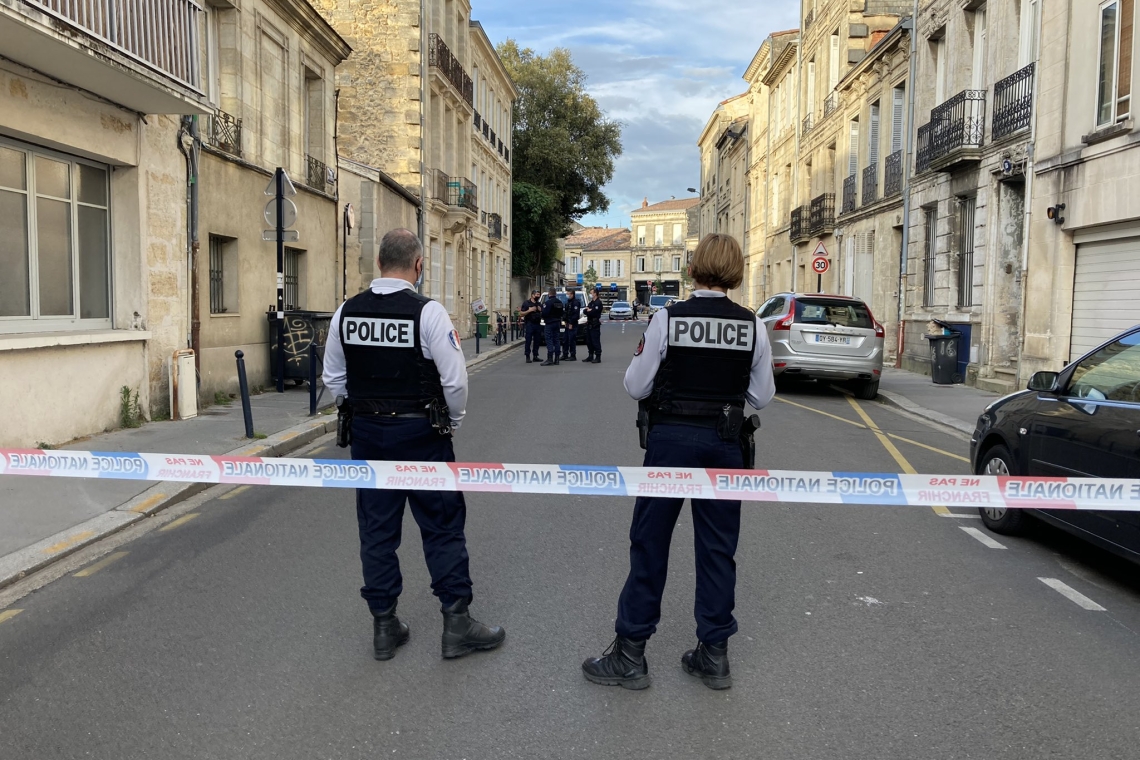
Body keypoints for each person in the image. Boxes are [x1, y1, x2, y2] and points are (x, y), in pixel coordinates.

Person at [581, 233, 775, 691]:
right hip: (725, 443)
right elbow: (761, 396)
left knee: (650, 544)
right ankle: (714, 654)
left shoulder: (668, 317)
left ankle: (630, 653)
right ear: (736, 272)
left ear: (694, 268)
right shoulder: (752, 326)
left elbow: (635, 384)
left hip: (669, 441)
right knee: (717, 549)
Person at [323, 228, 505, 662]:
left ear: (380, 262)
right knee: (441, 525)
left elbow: (333, 379)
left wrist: (362, 409)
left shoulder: (346, 312)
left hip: (368, 435)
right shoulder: (430, 314)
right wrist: (451, 423)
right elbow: (455, 381)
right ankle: (457, 623)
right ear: (418, 265)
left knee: (377, 530)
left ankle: (385, 626)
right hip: (422, 433)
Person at [540, 286, 564, 366]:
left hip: (549, 323)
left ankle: (550, 358)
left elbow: (544, 313)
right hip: (557, 323)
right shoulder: (560, 302)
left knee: (549, 340)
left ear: (549, 293)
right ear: (556, 294)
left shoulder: (548, 303)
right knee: (556, 340)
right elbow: (562, 313)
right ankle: (557, 358)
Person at [520, 290, 543, 363]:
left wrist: (541, 310)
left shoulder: (539, 303)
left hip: (537, 324)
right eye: (537, 294)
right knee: (528, 340)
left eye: (539, 295)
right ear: (532, 295)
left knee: (537, 341)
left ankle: (535, 356)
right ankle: (527, 356)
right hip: (530, 324)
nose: (538, 296)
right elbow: (521, 314)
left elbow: (543, 312)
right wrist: (529, 310)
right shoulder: (526, 303)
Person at [584, 289, 603, 364]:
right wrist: (588, 310)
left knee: (595, 341)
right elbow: (585, 311)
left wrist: (590, 311)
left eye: (591, 293)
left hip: (595, 324)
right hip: (589, 323)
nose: (590, 294)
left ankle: (598, 357)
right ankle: (590, 355)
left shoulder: (598, 303)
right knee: (589, 341)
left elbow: (594, 313)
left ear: (595, 294)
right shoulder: (591, 302)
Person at [561, 288, 581, 361]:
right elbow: (566, 313)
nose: (567, 295)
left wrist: (571, 323)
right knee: (565, 339)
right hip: (567, 323)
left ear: (572, 294)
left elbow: (575, 315)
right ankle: (565, 354)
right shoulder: (568, 302)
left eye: (568, 294)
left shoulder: (575, 302)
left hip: (572, 323)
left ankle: (573, 355)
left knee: (572, 340)